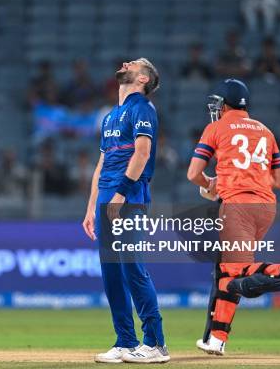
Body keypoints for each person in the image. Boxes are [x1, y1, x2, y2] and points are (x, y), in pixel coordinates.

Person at [187, 79, 280, 356]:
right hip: (266, 208)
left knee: (235, 275)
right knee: (226, 272)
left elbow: (192, 174)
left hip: (237, 205)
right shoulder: (265, 131)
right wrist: (250, 177)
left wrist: (211, 183)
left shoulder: (216, 127)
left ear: (224, 104)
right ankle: (217, 339)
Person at [82, 58, 170, 364]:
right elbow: (102, 164)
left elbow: (143, 153)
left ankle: (156, 344)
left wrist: (120, 193)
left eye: (134, 64)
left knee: (132, 266)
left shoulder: (142, 108)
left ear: (143, 79)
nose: (126, 63)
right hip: (108, 197)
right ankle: (125, 341)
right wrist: (92, 206)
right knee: (112, 273)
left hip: (129, 195)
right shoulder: (110, 117)